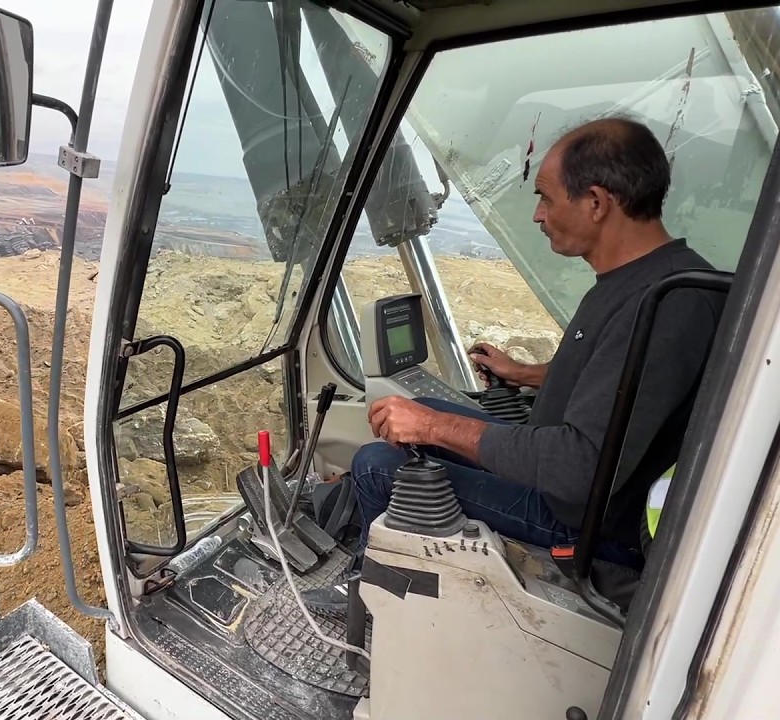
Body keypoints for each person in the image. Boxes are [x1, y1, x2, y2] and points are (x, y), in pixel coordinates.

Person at [305, 117, 726, 615]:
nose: (538, 215)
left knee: (377, 466)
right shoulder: (649, 279)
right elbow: (620, 384)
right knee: (420, 410)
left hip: (585, 522)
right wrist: (526, 374)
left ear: (596, 202)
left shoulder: (668, 305)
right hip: (568, 482)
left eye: (546, 197)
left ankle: (375, 602)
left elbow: (577, 467)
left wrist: (437, 427)